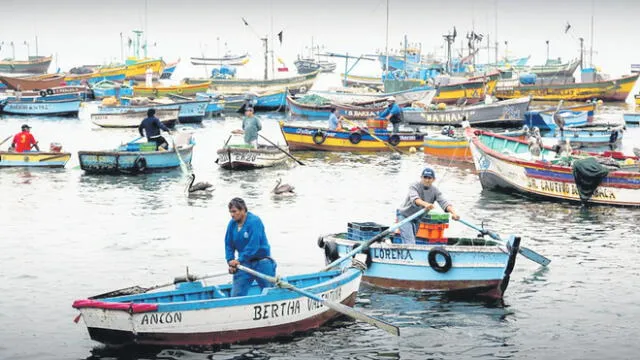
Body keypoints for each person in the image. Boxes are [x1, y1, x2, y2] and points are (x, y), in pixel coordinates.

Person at [225, 198, 277, 297]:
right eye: (230, 212)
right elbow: (228, 244)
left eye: (234, 211)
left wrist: (239, 260)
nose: (232, 215)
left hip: (262, 262)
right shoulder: (232, 224)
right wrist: (230, 260)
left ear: (243, 210)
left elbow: (253, 246)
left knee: (270, 293)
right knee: (236, 295)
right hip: (244, 264)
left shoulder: (255, 222)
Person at [397, 167, 460, 244]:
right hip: (405, 216)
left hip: (417, 219)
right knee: (410, 242)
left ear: (433, 179)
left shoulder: (435, 191)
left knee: (410, 241)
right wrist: (426, 204)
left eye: (429, 178)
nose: (427, 180)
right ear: (421, 177)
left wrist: (454, 213)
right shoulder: (414, 186)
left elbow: (444, 203)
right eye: (425, 177)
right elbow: (415, 199)